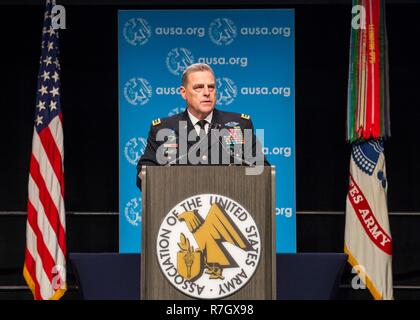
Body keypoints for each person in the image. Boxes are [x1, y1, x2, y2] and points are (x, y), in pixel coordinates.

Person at [136, 63, 269, 189]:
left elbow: (261, 169)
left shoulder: (238, 125)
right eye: (198, 87)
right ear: (183, 92)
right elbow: (144, 175)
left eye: (211, 87)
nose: (206, 93)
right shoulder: (163, 129)